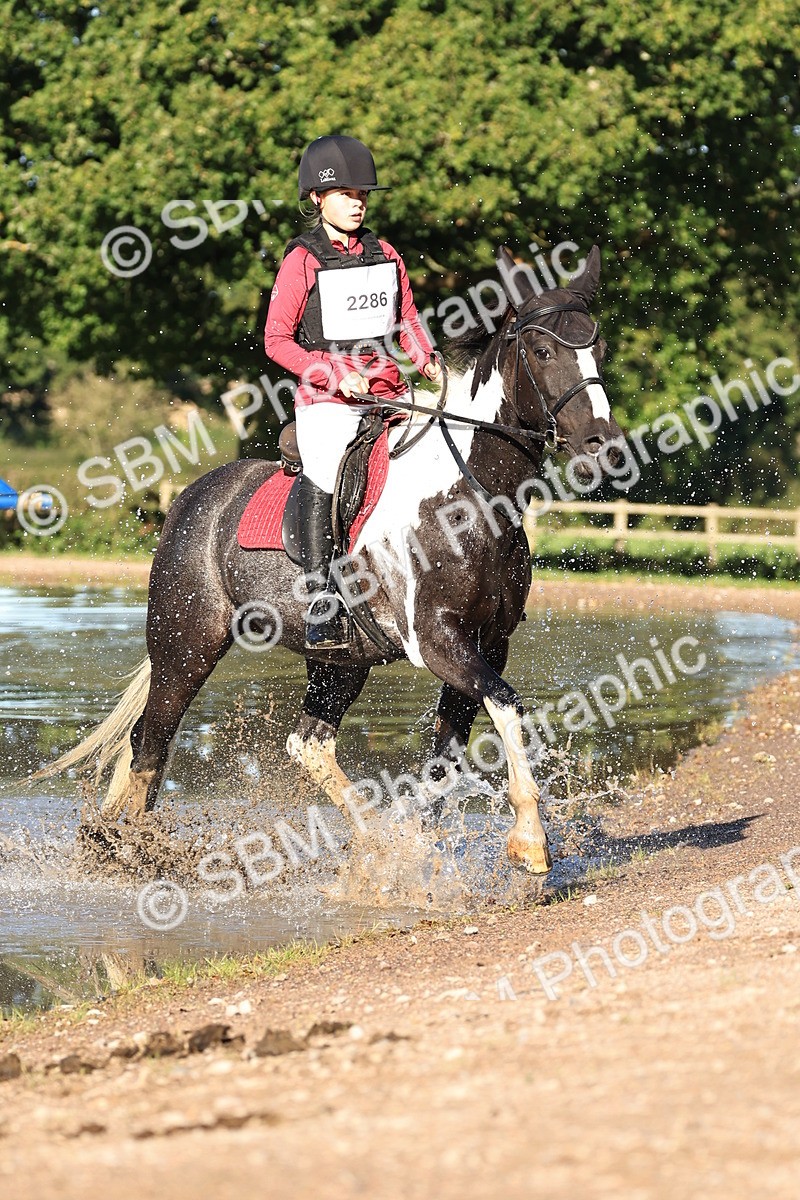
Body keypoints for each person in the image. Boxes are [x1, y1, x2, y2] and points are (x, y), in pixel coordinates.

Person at [265, 134, 441, 651]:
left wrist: (426, 357)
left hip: (389, 392)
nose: (357, 201)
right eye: (344, 193)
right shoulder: (302, 260)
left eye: (362, 193)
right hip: (328, 402)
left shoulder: (386, 254)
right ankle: (321, 595)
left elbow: (406, 320)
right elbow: (276, 340)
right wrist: (331, 374)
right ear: (318, 199)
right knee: (326, 465)